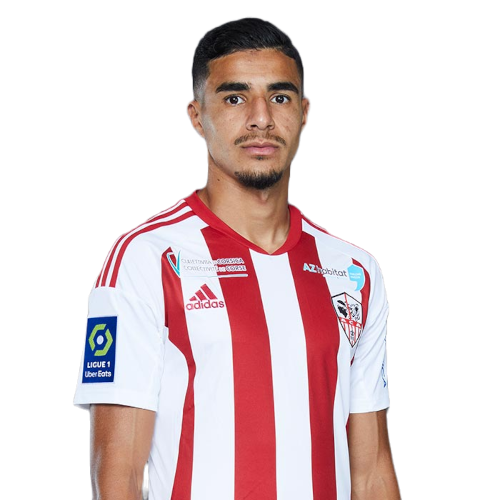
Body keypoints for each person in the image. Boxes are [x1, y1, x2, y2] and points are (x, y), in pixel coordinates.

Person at [73, 16, 401, 500]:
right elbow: (118, 476)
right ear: (196, 116)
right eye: (234, 98)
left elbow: (371, 473)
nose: (260, 118)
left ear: (305, 113)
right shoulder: (146, 258)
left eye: (280, 97)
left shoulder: (354, 272)